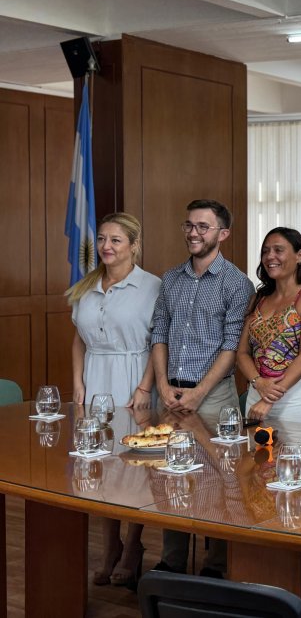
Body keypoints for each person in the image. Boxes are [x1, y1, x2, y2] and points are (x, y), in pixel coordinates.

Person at [150, 198, 253, 577]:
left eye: (203, 227)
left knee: (220, 478)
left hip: (214, 397)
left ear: (222, 234)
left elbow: (231, 346)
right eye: (189, 225)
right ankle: (172, 563)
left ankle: (215, 566)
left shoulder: (237, 283)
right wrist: (162, 384)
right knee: (171, 476)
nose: (194, 233)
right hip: (171, 393)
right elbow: (159, 332)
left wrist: (197, 394)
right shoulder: (171, 279)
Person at [66, 212, 160, 587]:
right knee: (99, 464)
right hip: (95, 381)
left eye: (116, 240)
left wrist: (143, 388)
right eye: (102, 239)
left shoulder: (152, 287)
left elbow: (159, 341)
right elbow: (78, 338)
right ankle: (109, 547)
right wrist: (78, 382)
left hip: (134, 377)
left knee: (134, 465)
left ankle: (134, 545)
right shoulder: (85, 287)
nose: (106, 246)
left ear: (134, 245)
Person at [237, 227, 301, 424]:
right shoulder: (257, 299)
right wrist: (258, 383)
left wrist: (269, 400)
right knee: (253, 455)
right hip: (256, 393)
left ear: (299, 255)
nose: (270, 256)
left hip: (295, 399)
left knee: (293, 455)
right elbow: (242, 353)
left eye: (278, 250)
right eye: (265, 251)